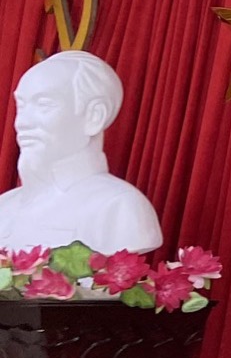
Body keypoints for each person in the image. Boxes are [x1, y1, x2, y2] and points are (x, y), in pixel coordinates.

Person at [0, 51, 161, 254]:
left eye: (44, 105)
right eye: (21, 106)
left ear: (95, 115)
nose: (22, 123)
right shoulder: (5, 206)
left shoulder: (120, 207)